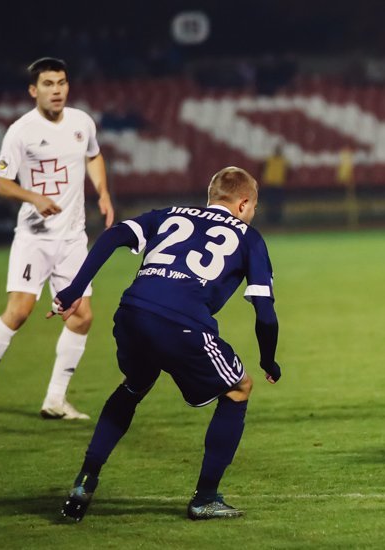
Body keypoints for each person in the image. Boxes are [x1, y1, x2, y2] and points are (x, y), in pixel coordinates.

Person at [52, 166, 282, 521]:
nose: (252, 214)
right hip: (182, 324)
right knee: (239, 388)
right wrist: (268, 360)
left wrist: (74, 290)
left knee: (135, 384)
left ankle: (85, 480)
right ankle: (205, 498)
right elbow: (265, 314)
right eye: (253, 207)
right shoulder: (249, 238)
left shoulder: (170, 213)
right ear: (243, 204)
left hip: (131, 313)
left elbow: (113, 236)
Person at [0, 57, 114, 425]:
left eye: (62, 82)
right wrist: (33, 197)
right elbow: (0, 183)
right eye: (49, 84)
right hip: (34, 238)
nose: (57, 90)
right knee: (19, 311)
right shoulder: (21, 131)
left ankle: (55, 399)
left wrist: (102, 192)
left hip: (72, 239)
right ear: (33, 90)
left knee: (81, 316)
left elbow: (94, 156)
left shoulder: (81, 123)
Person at [261, 144, 288, 225]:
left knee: (278, 204)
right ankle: (269, 220)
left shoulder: (283, 160)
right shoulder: (270, 159)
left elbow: (287, 171)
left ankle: (277, 220)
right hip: (270, 184)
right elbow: (264, 169)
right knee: (270, 203)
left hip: (279, 185)